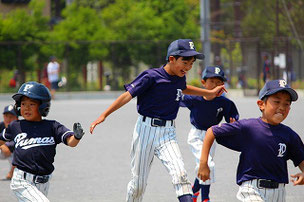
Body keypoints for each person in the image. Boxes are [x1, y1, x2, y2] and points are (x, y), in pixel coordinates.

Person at [90, 39, 227, 202]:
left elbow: (183, 88)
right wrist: (104, 114)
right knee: (138, 185)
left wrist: (208, 93)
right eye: (185, 61)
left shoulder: (179, 77)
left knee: (180, 176)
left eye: (191, 63)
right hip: (145, 131)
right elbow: (127, 95)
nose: (188, 67)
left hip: (168, 133)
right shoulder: (151, 76)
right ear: (171, 59)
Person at [198, 79, 304, 201]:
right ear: (261, 104)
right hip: (252, 189)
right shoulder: (249, 127)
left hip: (279, 193)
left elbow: (300, 158)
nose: (282, 107)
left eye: (286, 104)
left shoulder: (289, 135)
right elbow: (212, 131)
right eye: (276, 101)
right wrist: (203, 163)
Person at [0, 81, 85, 202]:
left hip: (44, 182)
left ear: (42, 107)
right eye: (23, 104)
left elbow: (70, 142)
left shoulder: (52, 126)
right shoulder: (16, 126)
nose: (26, 108)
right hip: (21, 181)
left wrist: (76, 136)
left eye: (32, 104)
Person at [180, 66, 239, 202]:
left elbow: (232, 117)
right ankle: (205, 198)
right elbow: (176, 100)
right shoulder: (195, 98)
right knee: (207, 164)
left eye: (219, 82)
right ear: (203, 83)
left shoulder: (224, 102)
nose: (215, 85)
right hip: (196, 136)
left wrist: (232, 122)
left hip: (212, 136)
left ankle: (194, 191)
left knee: (202, 166)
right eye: (212, 81)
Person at [0, 104, 18, 180]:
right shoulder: (1, 125)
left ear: (16, 118)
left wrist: (6, 145)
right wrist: (2, 146)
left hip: (15, 152)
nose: (8, 119)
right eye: (6, 116)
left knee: (20, 152)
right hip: (3, 151)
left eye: (11, 117)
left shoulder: (19, 127)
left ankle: (13, 172)